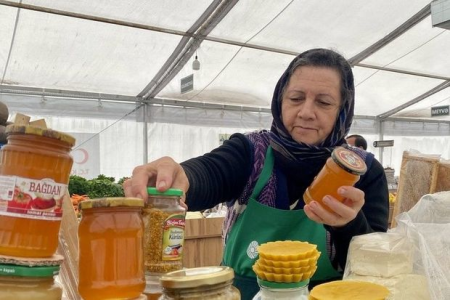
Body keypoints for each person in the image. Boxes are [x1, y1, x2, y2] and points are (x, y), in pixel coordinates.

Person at [124, 48, 389, 300]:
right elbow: (208, 173)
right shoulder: (251, 153)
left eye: (324, 102)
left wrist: (349, 225)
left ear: (342, 110)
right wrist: (180, 176)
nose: (306, 112)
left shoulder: (361, 171)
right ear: (280, 100)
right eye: (296, 98)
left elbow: (375, 266)